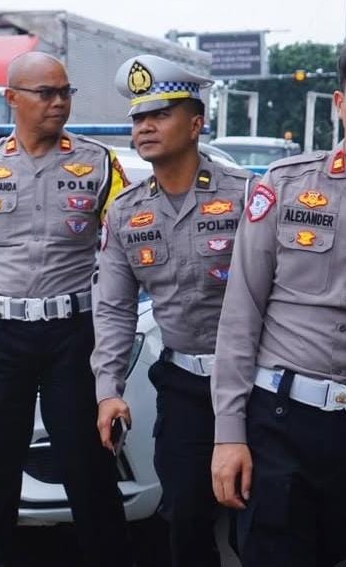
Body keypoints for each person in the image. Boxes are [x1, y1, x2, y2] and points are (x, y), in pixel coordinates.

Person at [211, 31, 346, 567]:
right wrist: (228, 435)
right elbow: (241, 315)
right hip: (279, 426)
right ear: (340, 102)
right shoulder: (285, 186)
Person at [0, 51, 133, 567]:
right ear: (12, 98)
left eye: (65, 92)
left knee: (89, 469)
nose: (59, 102)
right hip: (0, 336)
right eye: (46, 93)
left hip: (73, 335)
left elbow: (125, 254)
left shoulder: (100, 165)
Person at [91, 55, 251, 567]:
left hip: (258, 387)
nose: (145, 127)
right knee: (184, 518)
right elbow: (113, 308)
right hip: (184, 388)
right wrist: (108, 390)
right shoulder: (126, 211)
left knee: (260, 525)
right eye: (138, 118)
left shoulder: (247, 197)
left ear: (196, 123)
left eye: (160, 114)